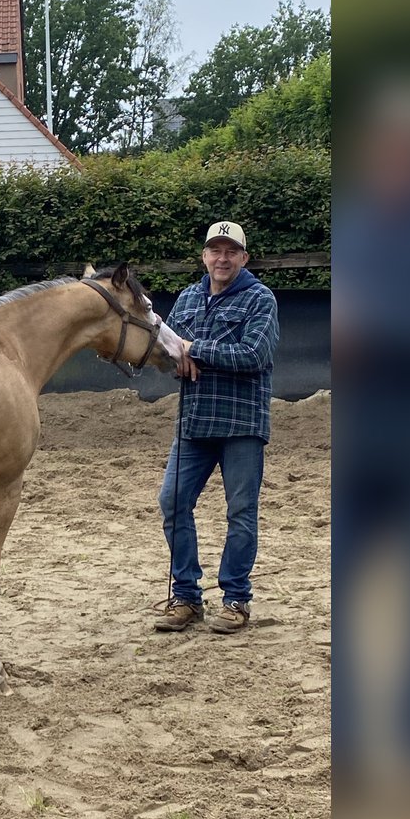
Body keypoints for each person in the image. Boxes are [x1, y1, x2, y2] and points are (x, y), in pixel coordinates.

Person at [154, 220, 280, 634]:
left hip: (242, 422)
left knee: (241, 512)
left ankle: (236, 599)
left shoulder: (260, 299)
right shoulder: (188, 298)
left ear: (244, 257)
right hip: (194, 422)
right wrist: (180, 357)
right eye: (215, 250)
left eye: (231, 251)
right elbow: (168, 347)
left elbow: (254, 355)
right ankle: (187, 596)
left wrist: (196, 350)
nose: (222, 258)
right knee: (172, 503)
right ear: (204, 256)